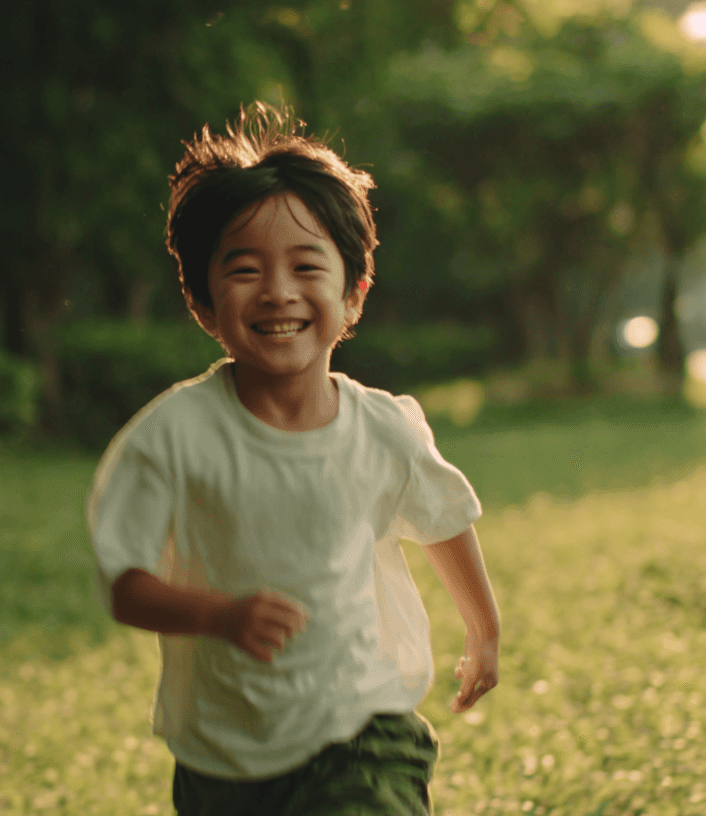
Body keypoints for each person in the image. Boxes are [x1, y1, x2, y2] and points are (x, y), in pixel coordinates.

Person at [86, 102, 501, 816]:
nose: (278, 291)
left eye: (306, 266)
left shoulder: (383, 429)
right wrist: (218, 614)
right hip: (224, 753)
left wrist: (484, 629)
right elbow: (125, 584)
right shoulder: (172, 437)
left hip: (363, 729)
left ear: (353, 294)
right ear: (203, 303)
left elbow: (444, 518)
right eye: (245, 269)